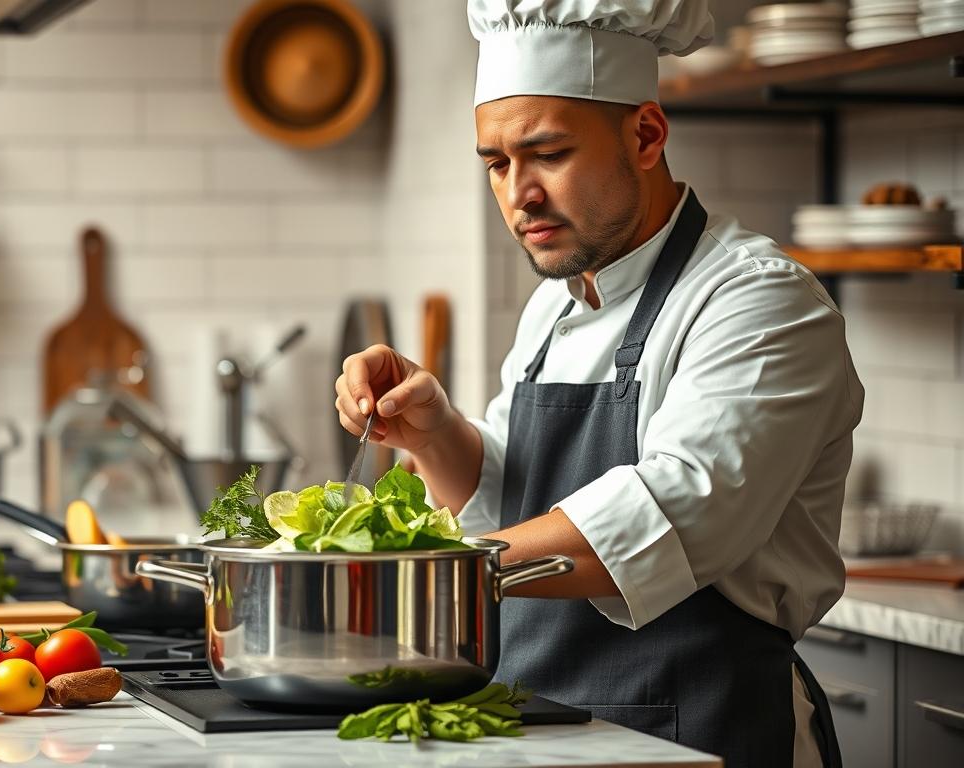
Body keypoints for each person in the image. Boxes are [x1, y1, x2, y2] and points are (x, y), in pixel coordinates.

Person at [333, 2, 863, 766]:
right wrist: (436, 433)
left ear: (646, 135)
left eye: (547, 153)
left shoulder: (759, 302)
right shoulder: (557, 303)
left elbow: (670, 516)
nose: (520, 194)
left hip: (701, 734)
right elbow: (511, 506)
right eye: (497, 163)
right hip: (541, 733)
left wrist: (413, 576)